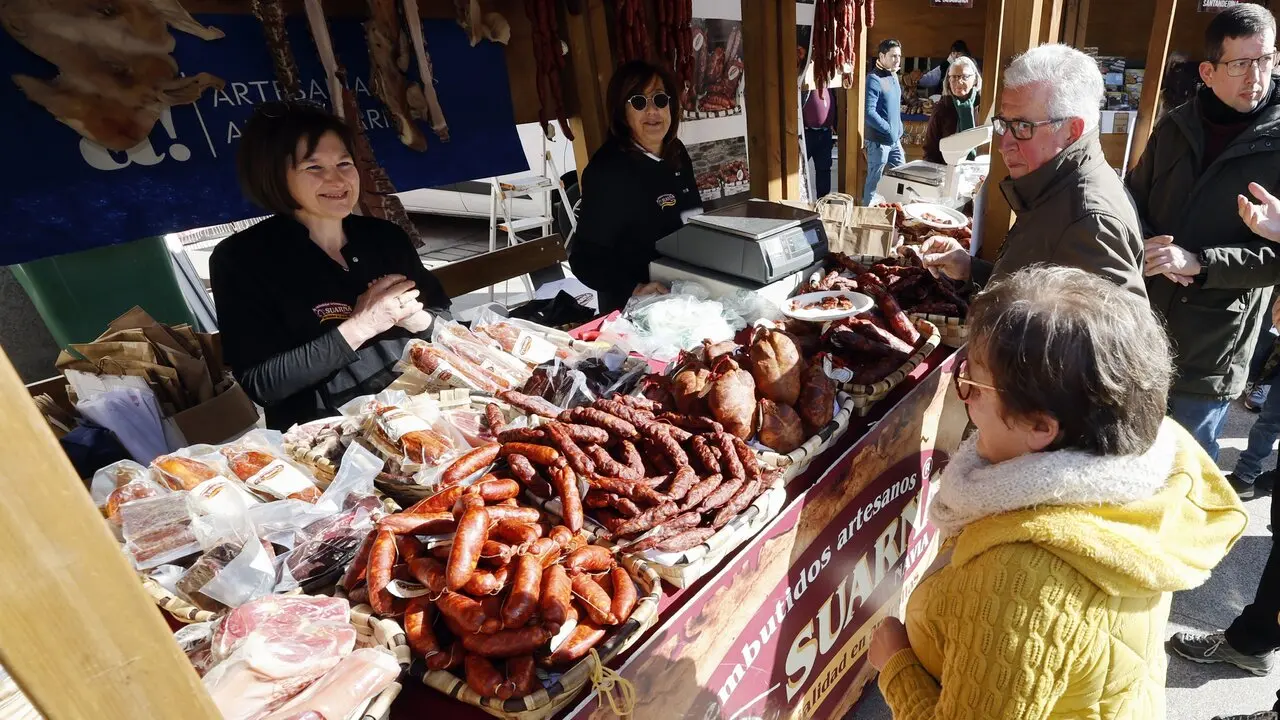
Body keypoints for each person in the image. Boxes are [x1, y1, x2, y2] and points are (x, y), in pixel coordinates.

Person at [867, 266, 1246, 719]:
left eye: (972, 383)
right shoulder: (1153, 460)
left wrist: (896, 665)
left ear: (1041, 427)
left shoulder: (1019, 583)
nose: (963, 395)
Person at [210, 102, 451, 431]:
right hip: (330, 437)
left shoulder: (386, 237)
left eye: (344, 163)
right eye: (314, 167)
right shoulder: (241, 259)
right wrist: (362, 325)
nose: (337, 179)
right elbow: (262, 384)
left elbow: (445, 324)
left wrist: (415, 318)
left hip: (424, 413)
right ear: (274, 174)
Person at [1126, 3, 1280, 462]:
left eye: (1266, 59)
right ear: (1208, 72)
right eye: (1240, 63)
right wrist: (1144, 242)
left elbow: (1276, 257)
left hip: (1215, 344)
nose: (1256, 76)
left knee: (1190, 469)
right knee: (1128, 456)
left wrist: (1202, 263)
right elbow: (1132, 199)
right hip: (1145, 325)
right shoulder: (1174, 126)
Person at [917, 44, 1147, 298]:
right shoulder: (1056, 183)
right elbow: (1039, 292)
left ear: (1071, 131)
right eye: (1005, 123)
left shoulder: (1092, 223)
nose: (1004, 145)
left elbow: (1120, 323)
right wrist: (972, 270)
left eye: (1023, 126)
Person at [569, 60, 701, 314]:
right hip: (635, 310)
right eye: (639, 102)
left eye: (660, 100)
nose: (652, 111)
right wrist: (634, 287)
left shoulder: (677, 152)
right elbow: (584, 260)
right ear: (622, 112)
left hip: (686, 296)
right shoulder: (607, 170)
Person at [863, 38, 905, 206]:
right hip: (879, 142)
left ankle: (897, 212)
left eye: (899, 56)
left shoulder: (893, 75)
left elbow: (894, 106)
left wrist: (898, 128)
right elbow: (868, 112)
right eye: (893, 56)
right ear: (881, 56)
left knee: (902, 177)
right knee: (874, 182)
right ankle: (866, 213)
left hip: (895, 141)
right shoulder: (873, 78)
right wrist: (888, 129)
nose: (897, 60)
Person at [922, 55, 982, 164]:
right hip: (947, 169)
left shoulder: (983, 106)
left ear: (975, 79)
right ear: (948, 80)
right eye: (954, 77)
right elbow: (930, 151)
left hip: (978, 169)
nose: (958, 81)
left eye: (964, 77)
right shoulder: (942, 109)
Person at [802, 84, 837, 198]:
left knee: (824, 170)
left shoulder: (830, 83)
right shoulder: (806, 82)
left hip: (825, 134)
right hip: (806, 133)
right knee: (798, 169)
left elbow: (835, 102)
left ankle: (823, 202)